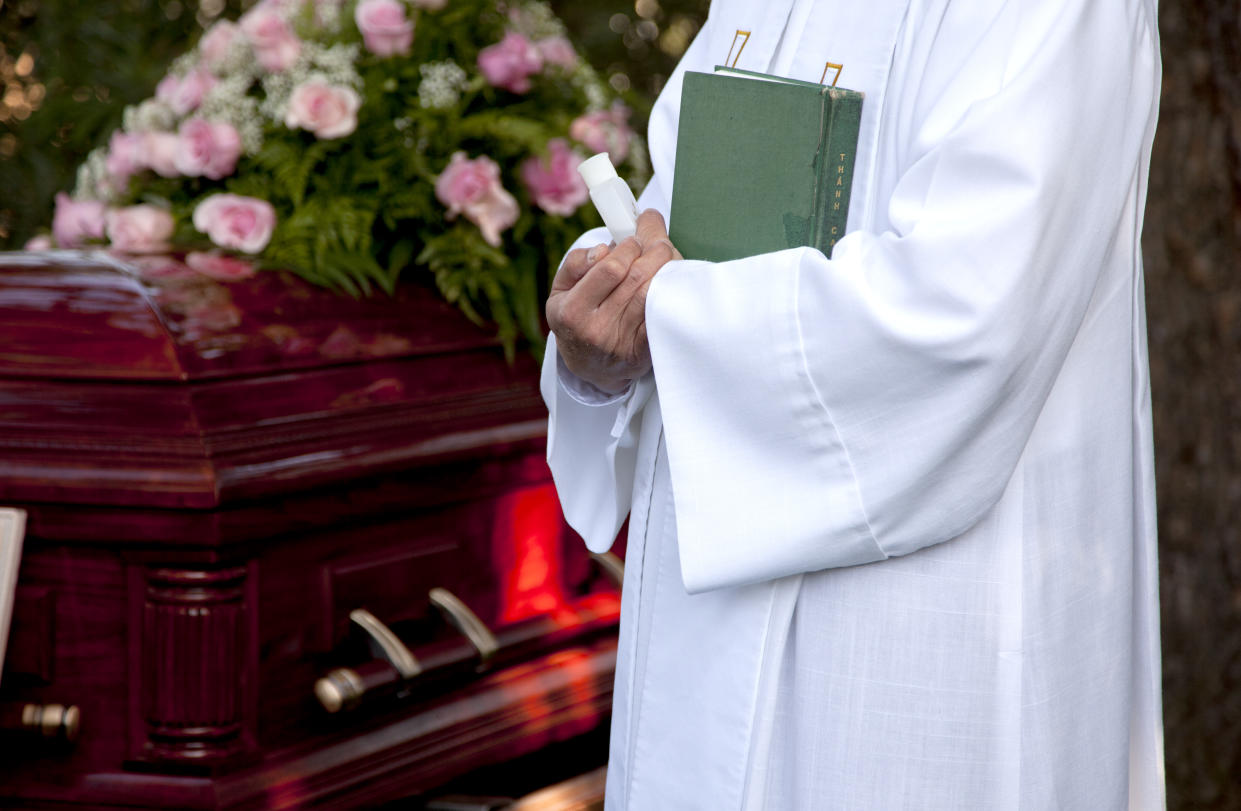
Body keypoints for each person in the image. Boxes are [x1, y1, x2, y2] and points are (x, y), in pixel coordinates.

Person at [542, 0, 1165, 807]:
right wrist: (605, 315)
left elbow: (967, 313)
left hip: (921, 626)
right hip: (699, 617)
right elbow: (672, 226)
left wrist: (671, 316)